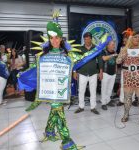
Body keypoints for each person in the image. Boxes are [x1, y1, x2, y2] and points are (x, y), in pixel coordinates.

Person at [39, 21, 78, 150]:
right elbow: (37, 68)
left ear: (61, 39)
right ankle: (66, 141)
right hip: (50, 89)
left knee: (55, 110)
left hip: (61, 88)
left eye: (57, 37)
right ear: (49, 39)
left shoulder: (67, 54)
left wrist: (98, 49)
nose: (54, 40)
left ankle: (49, 131)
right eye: (51, 38)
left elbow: (79, 60)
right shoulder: (45, 55)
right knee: (59, 113)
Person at [116, 31, 139, 125]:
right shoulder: (124, 49)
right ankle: (126, 114)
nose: (137, 39)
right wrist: (123, 55)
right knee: (127, 98)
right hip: (128, 78)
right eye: (135, 37)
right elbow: (118, 61)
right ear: (131, 38)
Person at [74, 32, 102, 115]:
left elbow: (100, 60)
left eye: (88, 38)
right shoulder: (80, 49)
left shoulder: (96, 48)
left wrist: (100, 72)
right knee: (81, 91)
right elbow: (76, 60)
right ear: (84, 39)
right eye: (85, 39)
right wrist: (74, 71)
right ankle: (81, 107)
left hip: (93, 73)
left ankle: (93, 107)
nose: (87, 40)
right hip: (82, 73)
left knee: (93, 91)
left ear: (91, 39)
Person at [100, 40, 117, 110]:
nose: (114, 46)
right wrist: (113, 55)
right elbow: (104, 58)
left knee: (110, 88)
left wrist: (116, 69)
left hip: (113, 73)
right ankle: (103, 103)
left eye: (114, 44)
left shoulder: (114, 52)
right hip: (105, 73)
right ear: (108, 45)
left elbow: (115, 62)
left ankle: (108, 100)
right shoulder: (104, 51)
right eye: (112, 44)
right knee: (104, 88)